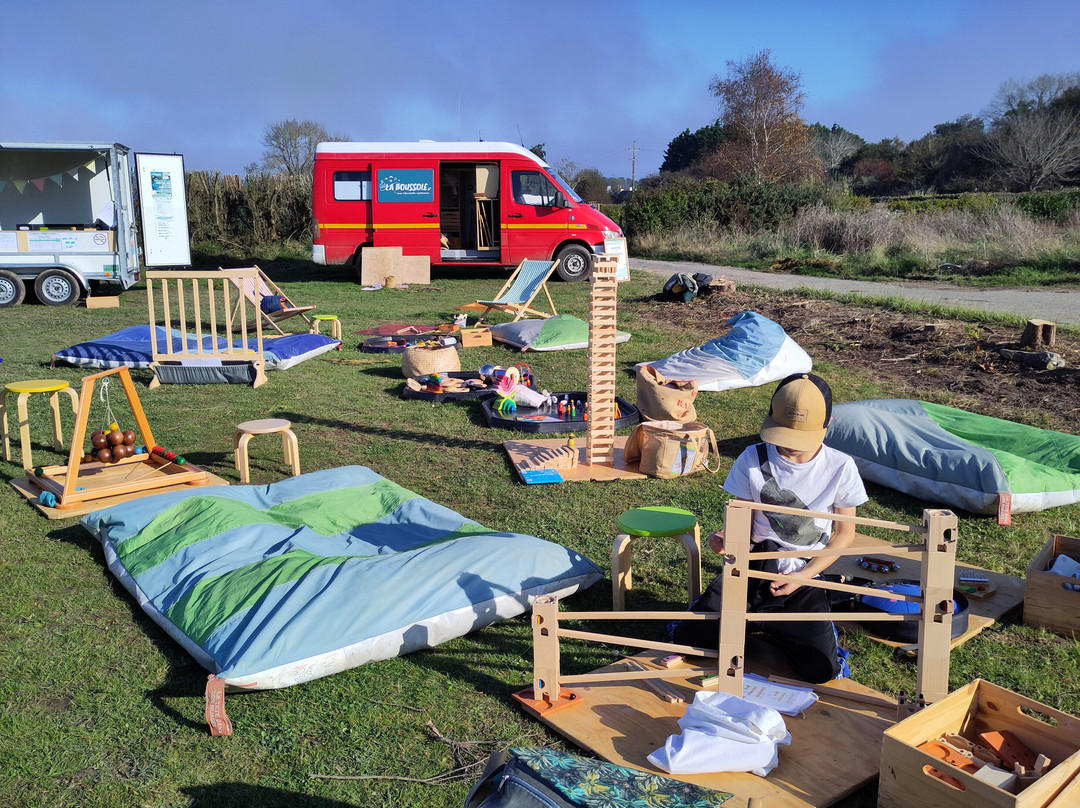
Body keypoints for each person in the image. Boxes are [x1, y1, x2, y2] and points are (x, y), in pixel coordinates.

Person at [671, 372, 868, 683]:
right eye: (783, 438)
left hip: (805, 572)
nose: (789, 449)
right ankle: (764, 624)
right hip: (755, 565)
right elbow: (742, 522)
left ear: (827, 423)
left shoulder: (841, 467)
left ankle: (776, 627)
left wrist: (804, 576)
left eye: (799, 442)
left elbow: (845, 534)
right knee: (687, 639)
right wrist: (726, 538)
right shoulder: (753, 458)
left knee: (820, 671)